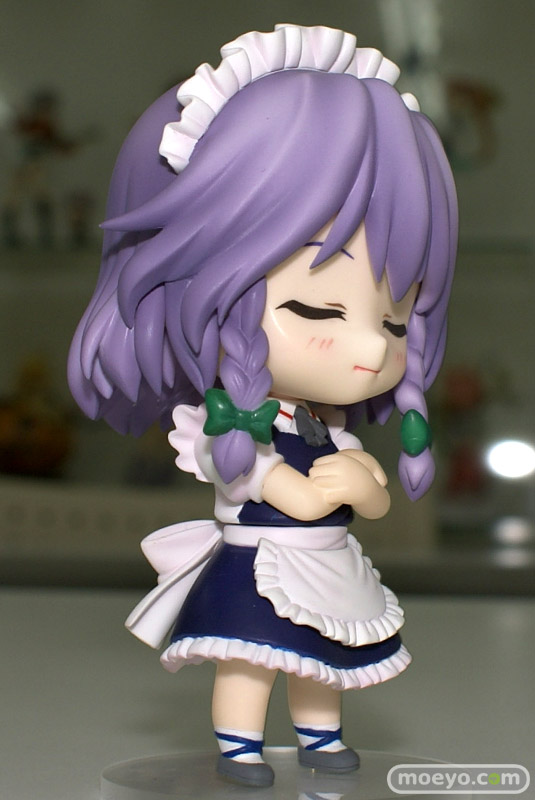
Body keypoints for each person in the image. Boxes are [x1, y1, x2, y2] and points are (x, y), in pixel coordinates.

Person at [68, 24, 457, 788]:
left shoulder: (324, 424)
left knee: (324, 659)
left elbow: (369, 494)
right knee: (250, 662)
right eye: (315, 308)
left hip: (327, 565)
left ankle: (320, 740)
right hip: (259, 568)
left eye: (393, 322)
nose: (371, 349)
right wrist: (312, 493)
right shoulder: (226, 422)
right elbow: (254, 477)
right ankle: (240, 748)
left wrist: (365, 487)